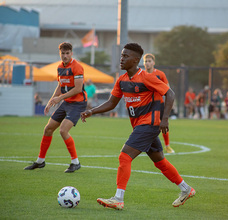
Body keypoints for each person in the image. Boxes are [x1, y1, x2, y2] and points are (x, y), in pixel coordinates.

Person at [81, 43, 195, 210]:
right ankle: (186, 189)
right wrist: (92, 111)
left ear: (135, 60)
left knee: (124, 156)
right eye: (121, 55)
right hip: (140, 126)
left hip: (149, 124)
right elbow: (112, 103)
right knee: (160, 162)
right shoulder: (121, 81)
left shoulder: (146, 77)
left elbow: (170, 93)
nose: (121, 59)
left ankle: (118, 198)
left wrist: (165, 119)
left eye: (125, 56)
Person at [24, 42, 87, 173]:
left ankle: (75, 162)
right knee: (48, 129)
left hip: (78, 103)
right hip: (66, 102)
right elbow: (60, 86)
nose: (65, 56)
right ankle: (40, 161)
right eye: (62, 53)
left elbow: (78, 89)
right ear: (60, 54)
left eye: (67, 53)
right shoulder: (59, 67)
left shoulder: (77, 67)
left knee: (63, 130)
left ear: (71, 53)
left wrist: (60, 98)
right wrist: (51, 101)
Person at [143, 53, 175, 154]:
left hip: (158, 104)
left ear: (153, 63)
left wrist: (169, 104)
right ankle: (145, 144)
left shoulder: (160, 74)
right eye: (146, 61)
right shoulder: (142, 75)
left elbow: (168, 89)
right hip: (146, 105)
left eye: (149, 61)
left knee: (162, 125)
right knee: (145, 124)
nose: (147, 63)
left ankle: (167, 146)